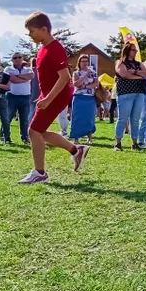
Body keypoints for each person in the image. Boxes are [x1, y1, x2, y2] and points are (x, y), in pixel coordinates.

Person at [17, 12, 88, 183]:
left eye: (32, 31)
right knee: (40, 133)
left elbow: (64, 77)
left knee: (33, 131)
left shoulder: (56, 48)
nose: (30, 35)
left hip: (56, 96)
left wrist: (48, 99)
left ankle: (40, 173)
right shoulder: (43, 49)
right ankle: (76, 150)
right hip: (48, 96)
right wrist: (44, 96)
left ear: (44, 29)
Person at [114, 43, 146, 150]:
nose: (135, 52)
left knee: (135, 119)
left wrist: (135, 72)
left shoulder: (138, 64)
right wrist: (139, 77)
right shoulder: (120, 63)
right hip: (125, 93)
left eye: (136, 50)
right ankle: (118, 143)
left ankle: (135, 142)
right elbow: (124, 74)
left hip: (139, 93)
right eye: (133, 50)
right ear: (127, 50)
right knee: (122, 118)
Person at [6, 53, 35, 144]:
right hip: (12, 96)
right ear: (12, 60)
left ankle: (25, 137)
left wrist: (17, 76)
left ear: (22, 58)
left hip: (25, 96)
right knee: (8, 117)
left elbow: (31, 76)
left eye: (19, 57)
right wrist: (24, 78)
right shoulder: (8, 69)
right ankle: (5, 136)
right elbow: (12, 79)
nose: (17, 59)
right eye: (15, 58)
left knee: (24, 119)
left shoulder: (28, 69)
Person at [70, 54, 97, 145]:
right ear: (79, 63)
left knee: (89, 118)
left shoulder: (93, 73)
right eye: (83, 61)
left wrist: (85, 86)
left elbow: (95, 84)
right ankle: (76, 138)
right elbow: (76, 84)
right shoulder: (76, 73)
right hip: (79, 98)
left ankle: (89, 138)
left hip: (90, 98)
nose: (85, 63)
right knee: (77, 118)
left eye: (86, 61)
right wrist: (85, 76)